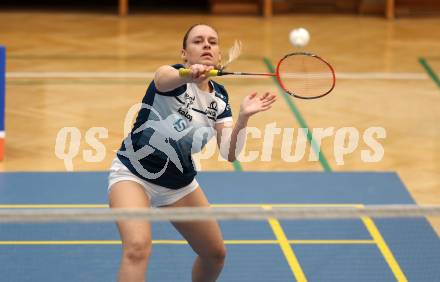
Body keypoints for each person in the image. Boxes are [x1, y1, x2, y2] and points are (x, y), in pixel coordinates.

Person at [108, 23, 276, 282]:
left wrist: (243, 118)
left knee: (215, 254)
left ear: (219, 56)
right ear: (184, 53)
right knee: (137, 248)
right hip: (134, 174)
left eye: (212, 41)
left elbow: (229, 153)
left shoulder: (219, 98)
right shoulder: (173, 78)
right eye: (198, 41)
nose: (207, 44)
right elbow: (161, 78)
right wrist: (188, 74)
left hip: (178, 185)